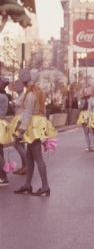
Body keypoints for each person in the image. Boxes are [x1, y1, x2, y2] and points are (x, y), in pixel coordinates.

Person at [13, 69, 56, 197]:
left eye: (23, 78)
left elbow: (27, 113)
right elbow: (19, 103)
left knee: (38, 158)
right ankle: (27, 185)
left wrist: (22, 130)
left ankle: (45, 186)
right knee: (30, 158)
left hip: (32, 126)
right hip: (36, 124)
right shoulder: (33, 92)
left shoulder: (31, 94)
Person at [10, 79, 28, 175]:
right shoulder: (21, 95)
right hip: (20, 120)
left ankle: (27, 166)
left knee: (17, 144)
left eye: (17, 85)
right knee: (21, 144)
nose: (15, 87)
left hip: (20, 121)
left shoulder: (24, 96)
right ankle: (24, 166)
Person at [0, 80, 12, 186]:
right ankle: (3, 177)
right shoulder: (5, 96)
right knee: (0, 151)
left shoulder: (1, 97)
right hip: (2, 123)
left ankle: (4, 176)